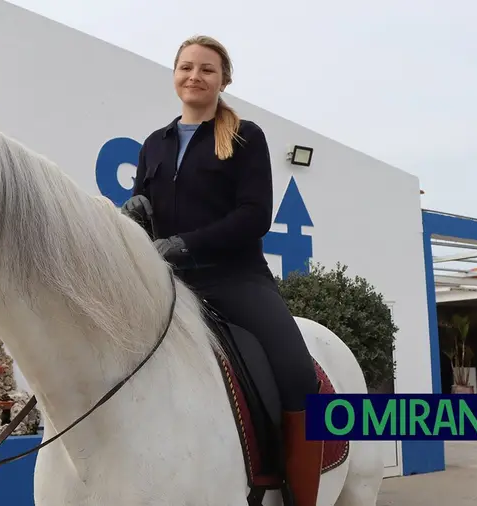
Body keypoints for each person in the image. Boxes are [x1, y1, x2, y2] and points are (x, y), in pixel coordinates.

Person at [121, 35, 323, 506]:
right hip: (169, 282)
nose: (195, 76)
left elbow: (254, 216)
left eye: (207, 69)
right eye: (186, 67)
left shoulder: (246, 136)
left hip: (235, 279)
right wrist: (132, 210)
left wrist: (185, 243)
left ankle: (301, 497)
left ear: (223, 80)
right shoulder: (154, 143)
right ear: (174, 75)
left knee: (298, 377)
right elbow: (144, 216)